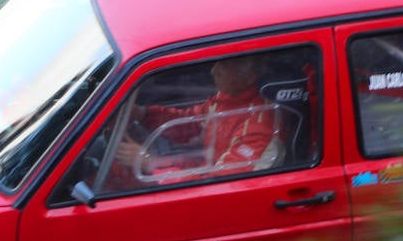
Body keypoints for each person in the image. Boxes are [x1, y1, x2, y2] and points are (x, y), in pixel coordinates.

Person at [111, 55, 283, 186]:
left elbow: (219, 184)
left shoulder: (259, 127)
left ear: (250, 77)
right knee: (119, 174)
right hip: (205, 171)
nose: (214, 71)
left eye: (224, 66)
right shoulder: (228, 100)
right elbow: (192, 125)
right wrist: (142, 114)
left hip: (224, 201)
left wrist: (150, 163)